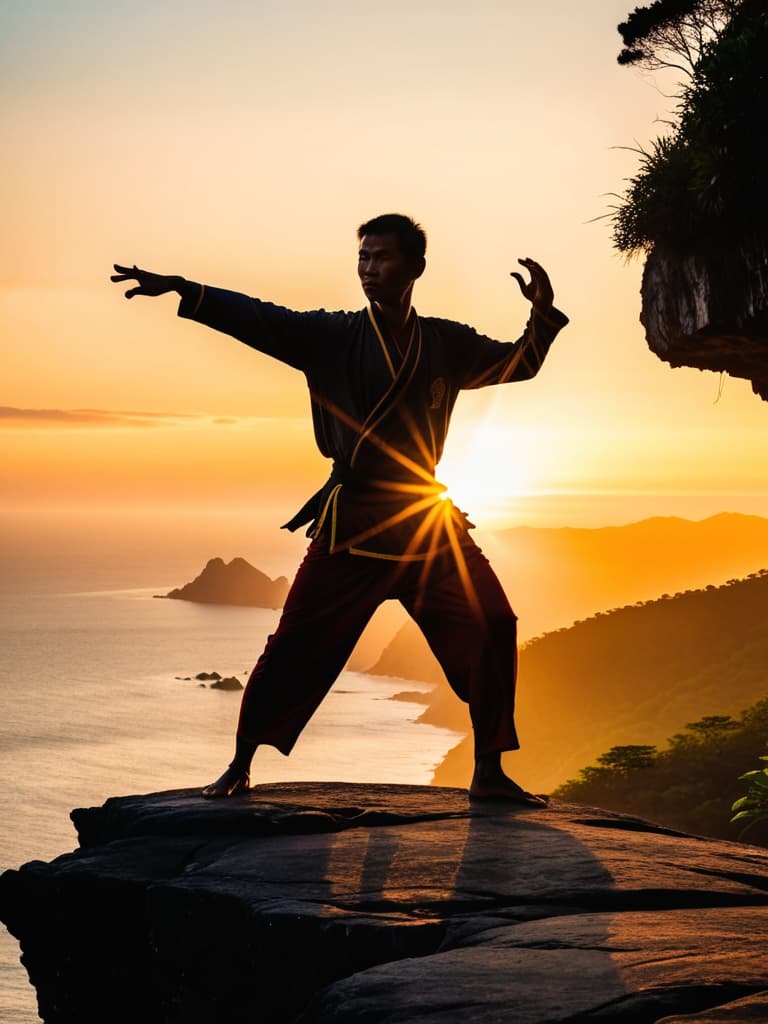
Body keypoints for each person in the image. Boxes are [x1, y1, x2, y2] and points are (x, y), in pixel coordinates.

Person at [111, 213, 568, 804]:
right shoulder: (329, 337)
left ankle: (488, 772)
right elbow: (258, 316)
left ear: (416, 268)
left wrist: (540, 313)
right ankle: (240, 763)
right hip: (350, 526)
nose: (368, 270)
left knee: (493, 625)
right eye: (362, 258)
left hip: (428, 526)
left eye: (381, 258)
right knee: (296, 644)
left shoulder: (444, 343)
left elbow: (517, 363)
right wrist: (185, 289)